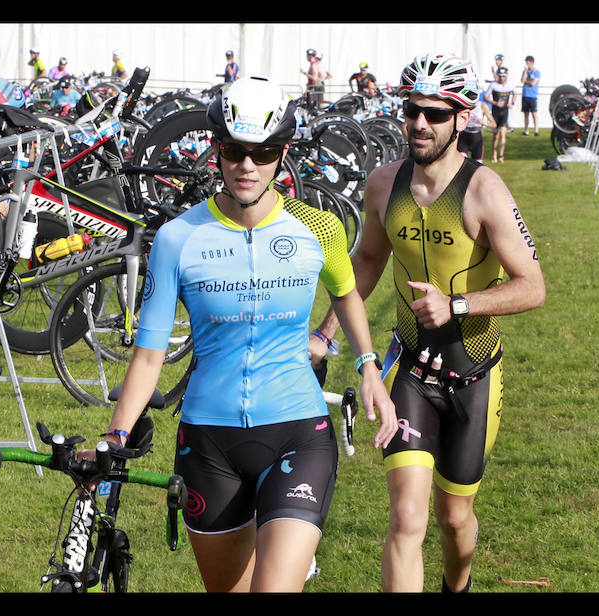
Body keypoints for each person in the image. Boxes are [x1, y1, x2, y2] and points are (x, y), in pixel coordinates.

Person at [90, 76, 397, 593]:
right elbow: (148, 357)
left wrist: (368, 367)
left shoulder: (318, 230)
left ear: (282, 154)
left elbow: (346, 293)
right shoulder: (177, 238)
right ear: (216, 148)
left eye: (264, 152)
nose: (248, 166)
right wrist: (116, 436)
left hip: (297, 432)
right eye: (234, 150)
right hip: (209, 442)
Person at [309, 53, 545, 593]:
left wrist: (457, 304)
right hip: (410, 371)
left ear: (462, 119)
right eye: (412, 110)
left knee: (454, 520)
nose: (419, 123)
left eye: (436, 114)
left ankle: (455, 587)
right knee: (406, 518)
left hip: (474, 376)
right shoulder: (382, 183)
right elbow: (366, 262)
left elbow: (533, 285)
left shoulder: (485, 192)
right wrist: (325, 336)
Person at [483, 67, 515, 163]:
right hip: (496, 112)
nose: (502, 78)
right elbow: (485, 97)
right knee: (496, 135)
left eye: (504, 76)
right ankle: (494, 154)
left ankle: (501, 156)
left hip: (505, 112)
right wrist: (494, 103)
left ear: (506, 76)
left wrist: (512, 103)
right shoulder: (493, 85)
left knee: (503, 134)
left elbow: (515, 94)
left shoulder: (510, 85)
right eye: (500, 76)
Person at [519, 56, 540, 136]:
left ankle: (536, 130)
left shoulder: (536, 72)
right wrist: (525, 71)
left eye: (528, 63)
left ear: (532, 62)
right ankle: (526, 130)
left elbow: (533, 83)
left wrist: (526, 81)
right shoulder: (525, 71)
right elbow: (522, 80)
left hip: (533, 95)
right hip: (525, 95)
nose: (527, 64)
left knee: (534, 113)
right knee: (526, 114)